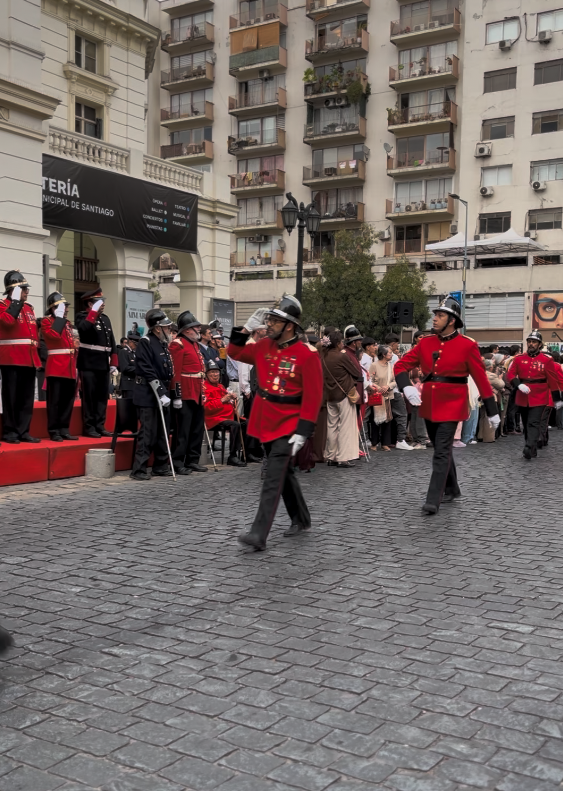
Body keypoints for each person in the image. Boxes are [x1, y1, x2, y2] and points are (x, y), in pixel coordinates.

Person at [229, 296, 323, 551]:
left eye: (274, 320)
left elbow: (314, 395)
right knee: (284, 474)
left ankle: (258, 533)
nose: (268, 324)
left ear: (289, 325)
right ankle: (301, 518)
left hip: (289, 423)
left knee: (272, 476)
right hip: (265, 419)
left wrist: (304, 430)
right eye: (269, 319)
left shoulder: (307, 355)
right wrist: (245, 330)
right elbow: (234, 352)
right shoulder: (263, 346)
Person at [395, 295, 500, 515]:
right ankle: (452, 488)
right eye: (435, 314)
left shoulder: (467, 345)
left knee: (440, 451)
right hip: (430, 404)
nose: (434, 319)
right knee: (442, 448)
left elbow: (481, 378)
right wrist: (406, 387)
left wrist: (492, 410)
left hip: (453, 404)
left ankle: (433, 499)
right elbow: (401, 366)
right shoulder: (426, 343)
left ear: (451, 320)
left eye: (440, 315)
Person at [130, 309, 174, 480]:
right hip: (148, 393)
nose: (169, 329)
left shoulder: (162, 343)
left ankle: (161, 465)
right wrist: (161, 392)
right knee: (148, 432)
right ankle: (139, 469)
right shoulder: (146, 342)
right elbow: (147, 369)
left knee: (163, 432)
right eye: (166, 326)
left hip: (162, 391)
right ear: (157, 328)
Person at [506, 330, 563, 459]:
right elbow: (510, 374)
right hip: (523, 395)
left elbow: (553, 379)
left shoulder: (546, 360)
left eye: (534, 342)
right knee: (526, 422)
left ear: (539, 344)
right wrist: (518, 384)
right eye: (529, 341)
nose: (531, 344)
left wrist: (557, 399)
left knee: (534, 422)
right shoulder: (519, 359)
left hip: (540, 395)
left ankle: (529, 446)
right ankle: (531, 447)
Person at [0, 270, 41, 444]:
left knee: (26, 398)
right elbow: (8, 322)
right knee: (11, 398)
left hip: (28, 358)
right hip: (11, 358)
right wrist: (15, 302)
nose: (27, 291)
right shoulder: (3, 305)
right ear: (13, 290)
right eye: (23, 288)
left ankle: (23, 431)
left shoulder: (28, 308)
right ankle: (10, 432)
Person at [75, 287, 118, 438]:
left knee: (101, 397)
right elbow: (84, 329)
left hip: (103, 363)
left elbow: (111, 340)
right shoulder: (82, 317)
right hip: (88, 362)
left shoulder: (105, 318)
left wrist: (114, 361)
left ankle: (100, 425)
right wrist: (92, 313)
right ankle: (89, 426)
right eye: (99, 301)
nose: (103, 304)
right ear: (90, 304)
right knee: (90, 397)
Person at [169, 310, 207, 475]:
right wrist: (176, 394)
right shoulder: (178, 344)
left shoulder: (195, 344)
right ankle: (178, 462)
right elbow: (175, 371)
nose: (198, 329)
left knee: (197, 428)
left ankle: (193, 460)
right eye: (194, 327)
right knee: (182, 431)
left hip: (197, 390)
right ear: (185, 330)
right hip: (184, 391)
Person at [40, 292, 79, 442]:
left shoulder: (67, 323)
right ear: (53, 308)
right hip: (56, 367)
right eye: (63, 307)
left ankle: (64, 428)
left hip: (69, 367)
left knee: (67, 401)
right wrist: (60, 319)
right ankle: (54, 430)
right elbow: (54, 336)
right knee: (54, 402)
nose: (66, 309)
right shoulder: (46, 322)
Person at [322, 330, 361, 467]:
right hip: (344, 394)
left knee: (331, 426)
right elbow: (356, 372)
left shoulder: (324, 357)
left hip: (330, 395)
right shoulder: (341, 356)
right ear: (338, 343)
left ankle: (330, 456)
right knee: (345, 426)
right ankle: (343, 457)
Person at [203, 360, 247, 467]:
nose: (215, 375)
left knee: (247, 423)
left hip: (227, 415)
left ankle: (247, 453)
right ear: (207, 375)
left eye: (217, 372)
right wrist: (222, 400)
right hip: (215, 418)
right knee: (235, 425)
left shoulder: (221, 386)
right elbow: (206, 407)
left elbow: (228, 402)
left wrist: (232, 399)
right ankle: (232, 456)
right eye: (212, 372)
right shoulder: (204, 387)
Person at [239, 323, 267, 462]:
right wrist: (247, 390)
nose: (265, 331)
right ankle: (249, 451)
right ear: (257, 331)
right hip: (251, 390)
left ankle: (256, 448)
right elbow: (244, 370)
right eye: (263, 329)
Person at [383, 332, 413, 450]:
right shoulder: (394, 357)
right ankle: (401, 439)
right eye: (396, 344)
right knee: (401, 415)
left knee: (386, 417)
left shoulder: (378, 354)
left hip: (381, 389)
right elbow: (398, 372)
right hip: (394, 389)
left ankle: (385, 441)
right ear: (393, 344)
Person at [368, 345, 395, 451]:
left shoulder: (390, 366)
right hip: (377, 395)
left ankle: (385, 443)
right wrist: (380, 389)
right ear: (383, 355)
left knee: (387, 420)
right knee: (375, 420)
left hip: (387, 395)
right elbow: (370, 380)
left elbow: (394, 380)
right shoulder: (374, 365)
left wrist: (388, 387)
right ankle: (374, 443)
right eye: (389, 353)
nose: (391, 354)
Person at [118, 331, 141, 399]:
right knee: (127, 405)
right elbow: (124, 368)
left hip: (134, 383)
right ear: (130, 342)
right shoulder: (124, 352)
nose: (136, 346)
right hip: (127, 384)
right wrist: (138, 369)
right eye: (135, 344)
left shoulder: (134, 353)